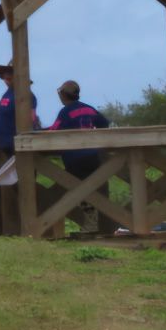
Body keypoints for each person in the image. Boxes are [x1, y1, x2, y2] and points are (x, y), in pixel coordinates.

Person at [47, 79, 111, 232]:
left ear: (63, 95)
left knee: (70, 191)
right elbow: (104, 123)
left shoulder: (65, 112)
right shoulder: (89, 109)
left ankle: (84, 225)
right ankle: (92, 225)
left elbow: (53, 132)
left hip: (74, 159)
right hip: (93, 158)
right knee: (89, 190)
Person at [0, 60, 41, 158]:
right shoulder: (7, 94)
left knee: (23, 171)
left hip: (19, 145)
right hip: (5, 145)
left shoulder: (26, 95)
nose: (7, 76)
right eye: (7, 72)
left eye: (12, 72)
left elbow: (31, 119)